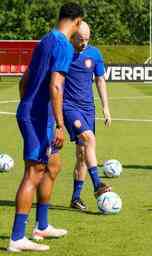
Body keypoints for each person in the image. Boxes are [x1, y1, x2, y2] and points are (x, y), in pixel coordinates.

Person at [8, 3, 84, 252]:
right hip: (40, 116)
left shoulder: (45, 40)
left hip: (35, 112)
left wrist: (26, 103)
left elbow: (25, 79)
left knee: (53, 165)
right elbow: (55, 86)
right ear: (77, 21)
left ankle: (41, 225)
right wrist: (60, 124)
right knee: (34, 171)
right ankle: (17, 237)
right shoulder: (63, 45)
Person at [63, 21, 112, 212]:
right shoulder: (64, 53)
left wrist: (105, 108)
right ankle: (98, 184)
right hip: (69, 106)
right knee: (88, 139)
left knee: (82, 155)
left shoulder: (95, 54)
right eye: (80, 39)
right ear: (73, 36)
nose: (84, 43)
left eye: (87, 40)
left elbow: (100, 80)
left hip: (88, 109)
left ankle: (75, 198)